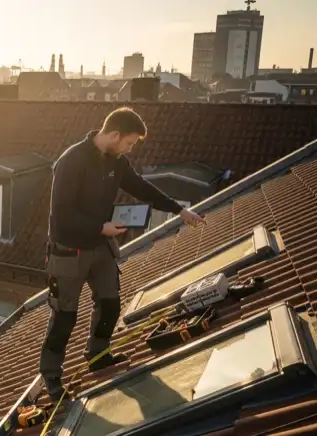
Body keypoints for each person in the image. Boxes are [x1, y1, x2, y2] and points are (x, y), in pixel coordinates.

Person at [40, 107, 205, 403]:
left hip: (101, 247)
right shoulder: (71, 161)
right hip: (69, 252)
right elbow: (62, 216)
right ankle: (52, 376)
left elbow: (142, 188)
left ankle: (98, 355)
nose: (130, 149)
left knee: (110, 303)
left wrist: (179, 210)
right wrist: (99, 227)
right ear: (115, 135)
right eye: (129, 143)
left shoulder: (117, 163)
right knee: (64, 316)